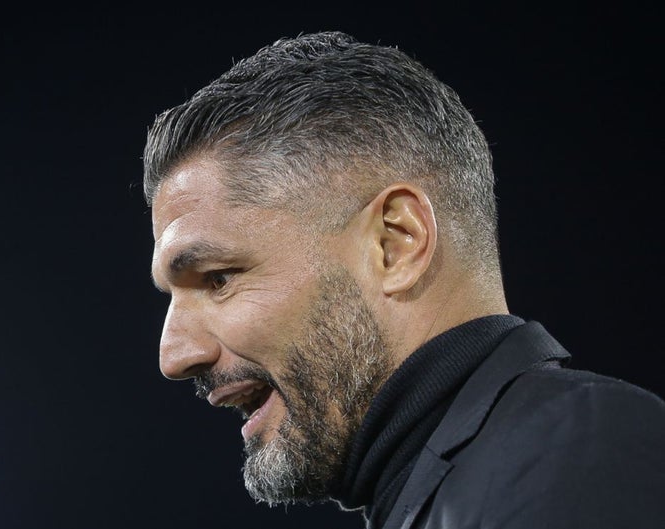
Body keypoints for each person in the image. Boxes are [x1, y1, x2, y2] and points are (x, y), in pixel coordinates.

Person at [142, 30, 665, 528]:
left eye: (218, 279)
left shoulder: (580, 456)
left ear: (396, 243)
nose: (174, 356)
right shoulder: (496, 473)